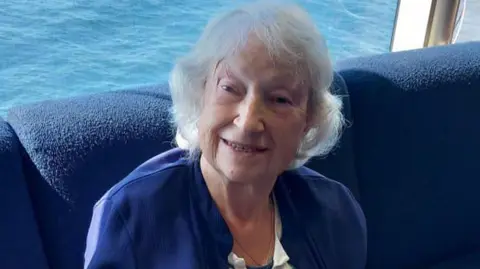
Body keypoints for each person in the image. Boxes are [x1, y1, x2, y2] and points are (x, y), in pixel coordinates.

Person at [84, 1, 367, 268]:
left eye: (279, 99)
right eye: (230, 88)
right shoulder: (131, 218)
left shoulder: (335, 212)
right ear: (199, 93)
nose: (248, 122)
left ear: (309, 120)